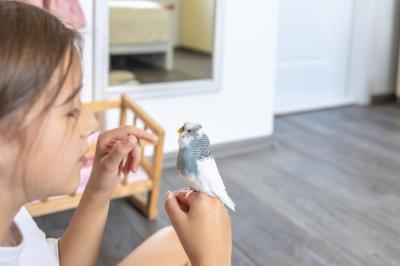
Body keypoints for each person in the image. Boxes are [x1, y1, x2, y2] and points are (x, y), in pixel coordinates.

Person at [0, 2, 232, 266]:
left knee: (179, 239)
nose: (91, 124)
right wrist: (214, 260)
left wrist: (100, 186)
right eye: (70, 110)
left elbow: (60, 262)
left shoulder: (11, 212)